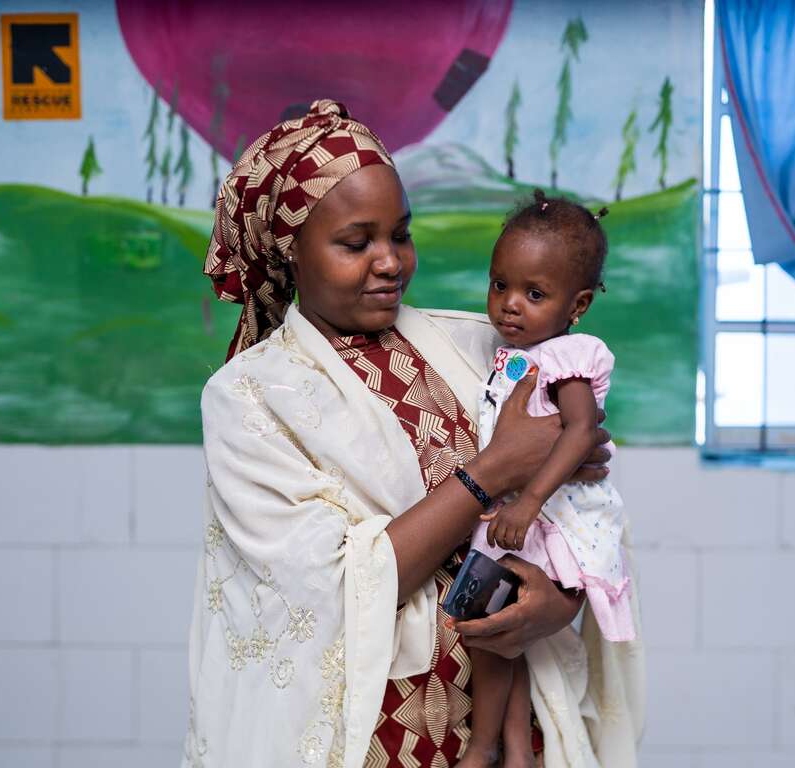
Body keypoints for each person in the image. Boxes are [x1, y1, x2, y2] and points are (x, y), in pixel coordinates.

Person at [185, 99, 644, 768]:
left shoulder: (479, 343)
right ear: (293, 251)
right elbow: (331, 591)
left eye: (399, 235)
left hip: (517, 724)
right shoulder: (250, 396)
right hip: (374, 738)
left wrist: (560, 599)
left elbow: (583, 503)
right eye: (355, 242)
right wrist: (494, 468)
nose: (390, 262)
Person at [458, 191, 637, 768]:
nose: (510, 306)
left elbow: (582, 432)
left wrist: (528, 502)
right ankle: (511, 746)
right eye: (499, 285)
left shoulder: (567, 356)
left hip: (551, 515)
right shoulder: (513, 351)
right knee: (502, 637)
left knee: (494, 627)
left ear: (577, 304)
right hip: (520, 508)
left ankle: (485, 747)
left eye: (534, 294)